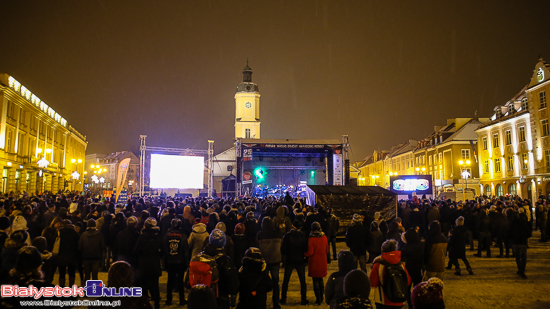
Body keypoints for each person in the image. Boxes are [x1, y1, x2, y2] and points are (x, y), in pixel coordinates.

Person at [192, 229, 239, 309]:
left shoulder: (197, 258)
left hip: (199, 301)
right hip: (220, 301)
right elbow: (233, 288)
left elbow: (188, 281)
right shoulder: (225, 261)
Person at [370, 239, 411, 309]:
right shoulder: (400, 264)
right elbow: (408, 281)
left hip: (382, 300)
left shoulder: (378, 264)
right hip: (398, 300)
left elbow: (372, 283)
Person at [133, 217, 162, 309]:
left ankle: (144, 304)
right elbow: (163, 251)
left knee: (143, 286)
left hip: (144, 264)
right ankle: (156, 304)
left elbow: (136, 251)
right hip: (154, 264)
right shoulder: (157, 237)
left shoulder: (141, 238)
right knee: (155, 285)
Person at [280, 220, 309, 305]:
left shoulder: (287, 236)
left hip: (290, 260)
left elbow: (283, 249)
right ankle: (303, 299)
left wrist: (284, 260)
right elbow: (305, 248)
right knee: (302, 281)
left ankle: (283, 298)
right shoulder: (303, 236)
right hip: (300, 260)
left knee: (286, 280)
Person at [256, 216, 282, 309]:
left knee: (263, 283)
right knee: (275, 282)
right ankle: (276, 303)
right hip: (275, 260)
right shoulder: (277, 234)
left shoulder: (260, 235)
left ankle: (263, 302)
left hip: (264, 261)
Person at [163, 218, 189, 306]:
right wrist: (186, 262)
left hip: (170, 261)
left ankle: (168, 299)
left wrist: (165, 261)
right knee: (180, 281)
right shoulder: (183, 236)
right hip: (180, 261)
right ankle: (181, 299)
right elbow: (185, 251)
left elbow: (165, 250)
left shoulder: (167, 235)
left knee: (170, 280)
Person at [305, 221, 329, 305]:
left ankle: (318, 298)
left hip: (314, 261)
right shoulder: (324, 237)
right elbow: (327, 250)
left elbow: (310, 252)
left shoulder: (311, 239)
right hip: (322, 260)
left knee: (315, 280)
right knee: (321, 279)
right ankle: (322, 297)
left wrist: (304, 254)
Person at [511, 207, 530, 279]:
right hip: (523, 242)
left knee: (517, 257)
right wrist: (525, 237)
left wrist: (511, 239)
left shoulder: (512, 225)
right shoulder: (523, 224)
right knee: (523, 257)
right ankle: (522, 270)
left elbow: (509, 233)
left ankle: (519, 268)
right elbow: (528, 232)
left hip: (515, 242)